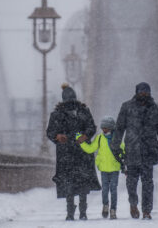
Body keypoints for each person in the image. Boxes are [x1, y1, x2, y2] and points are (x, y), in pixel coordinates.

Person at [111, 82, 158, 220]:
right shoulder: (126, 107)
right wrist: (115, 147)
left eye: (146, 92)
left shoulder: (156, 109)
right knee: (131, 182)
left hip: (149, 150)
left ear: (149, 93)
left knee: (148, 182)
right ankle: (133, 203)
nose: (144, 94)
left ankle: (146, 211)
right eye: (141, 91)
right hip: (131, 150)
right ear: (136, 92)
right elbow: (119, 128)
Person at [46, 84, 101, 220]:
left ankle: (80, 211)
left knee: (76, 182)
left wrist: (85, 135)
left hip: (78, 153)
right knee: (72, 182)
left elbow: (91, 127)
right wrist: (57, 136)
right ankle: (73, 211)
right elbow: (50, 132)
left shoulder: (82, 111)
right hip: (70, 153)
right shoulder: (59, 114)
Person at [78, 116, 125, 220]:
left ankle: (113, 210)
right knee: (105, 190)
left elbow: (123, 151)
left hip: (114, 169)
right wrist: (81, 141)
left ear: (111, 128)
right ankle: (105, 206)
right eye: (103, 127)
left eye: (106, 128)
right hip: (103, 169)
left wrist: (123, 161)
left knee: (113, 190)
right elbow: (91, 149)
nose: (104, 130)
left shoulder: (117, 138)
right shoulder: (99, 138)